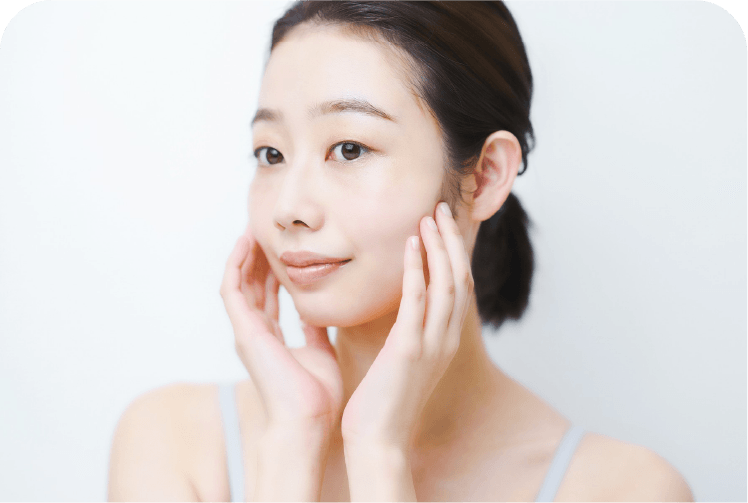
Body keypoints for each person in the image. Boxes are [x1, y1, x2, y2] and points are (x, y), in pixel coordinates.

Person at [107, 1, 695, 501]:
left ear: (485, 176)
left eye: (350, 148)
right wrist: (291, 442)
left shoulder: (622, 489)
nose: (288, 207)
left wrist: (378, 455)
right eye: (272, 153)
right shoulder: (174, 443)